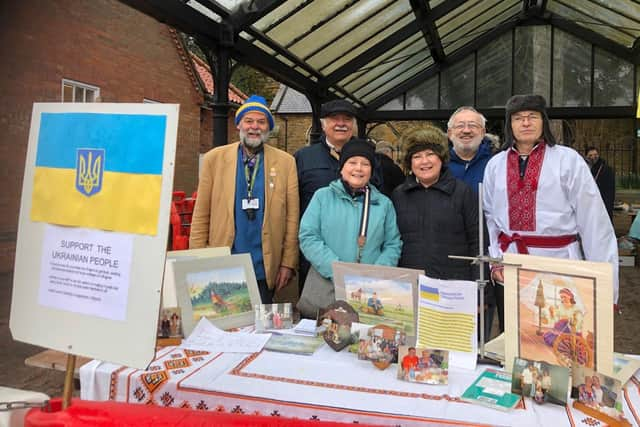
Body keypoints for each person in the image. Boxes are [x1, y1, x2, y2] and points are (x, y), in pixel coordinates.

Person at [483, 94, 620, 305]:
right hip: (510, 267)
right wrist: (496, 261)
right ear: (510, 125)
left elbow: (594, 221)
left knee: (558, 330)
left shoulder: (568, 160)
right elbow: (490, 217)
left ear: (543, 122)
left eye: (532, 116)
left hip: (560, 266)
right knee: (512, 334)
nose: (526, 122)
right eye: (518, 118)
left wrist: (606, 288)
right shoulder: (495, 165)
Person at [189, 95, 299, 304]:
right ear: (239, 124)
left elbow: (292, 218)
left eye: (261, 122)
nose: (254, 127)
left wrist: (287, 263)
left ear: (268, 127)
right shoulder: (215, 159)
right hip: (223, 261)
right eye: (249, 121)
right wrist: (198, 258)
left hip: (265, 265)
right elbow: (201, 213)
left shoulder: (286, 163)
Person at [295, 100, 385, 290]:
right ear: (323, 124)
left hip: (363, 263)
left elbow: (378, 200)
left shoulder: (371, 158)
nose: (341, 124)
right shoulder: (303, 157)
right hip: (316, 261)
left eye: (347, 119)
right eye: (335, 119)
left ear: (353, 125)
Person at [298, 138, 402, 301]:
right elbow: (308, 236)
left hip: (369, 290)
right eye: (352, 162)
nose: (358, 168)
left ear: (371, 170)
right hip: (328, 286)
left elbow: (393, 244)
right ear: (342, 168)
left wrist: (376, 275)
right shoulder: (322, 197)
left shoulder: (383, 204)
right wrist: (338, 271)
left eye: (365, 164)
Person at [392, 125, 479, 281]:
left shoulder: (462, 192)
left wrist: (482, 291)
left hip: (454, 285)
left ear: (441, 158)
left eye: (430, 154)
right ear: (409, 163)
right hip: (410, 282)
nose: (424, 161)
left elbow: (477, 241)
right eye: (417, 156)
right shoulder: (399, 195)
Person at [447, 106, 498, 338]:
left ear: (483, 131)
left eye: (473, 126)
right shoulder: (437, 163)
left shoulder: (497, 164)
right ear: (449, 133)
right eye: (460, 126)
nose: (466, 131)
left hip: (486, 249)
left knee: (482, 312)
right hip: (449, 249)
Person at [586, 146, 616, 222]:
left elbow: (610, 191)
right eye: (590, 155)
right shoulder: (586, 167)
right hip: (590, 202)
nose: (593, 157)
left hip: (603, 202)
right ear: (586, 156)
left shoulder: (606, 169)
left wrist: (607, 206)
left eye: (595, 154)